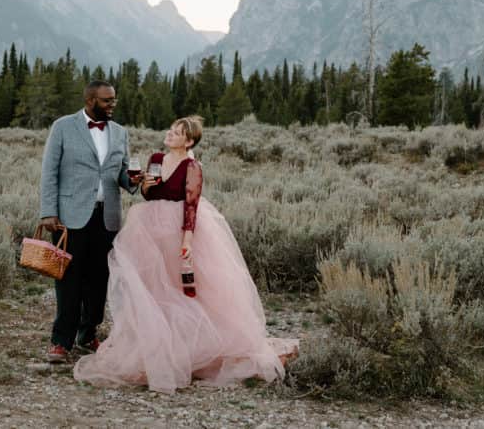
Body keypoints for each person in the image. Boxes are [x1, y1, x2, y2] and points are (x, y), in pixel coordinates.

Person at [74, 116, 298, 393]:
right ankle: (158, 344)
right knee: (155, 288)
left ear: (189, 141)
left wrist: (188, 241)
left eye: (177, 133)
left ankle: (194, 350)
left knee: (184, 289)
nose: (169, 134)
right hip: (149, 229)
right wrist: (144, 184)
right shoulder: (156, 157)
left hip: (179, 228)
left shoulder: (192, 166)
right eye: (170, 129)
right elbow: (148, 194)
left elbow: (191, 205)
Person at [39, 80, 140, 363]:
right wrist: (48, 211)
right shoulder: (62, 127)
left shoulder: (120, 132)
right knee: (68, 279)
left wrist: (133, 181)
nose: (112, 105)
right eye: (107, 101)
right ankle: (61, 341)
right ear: (90, 101)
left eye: (114, 100)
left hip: (107, 217)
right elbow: (49, 172)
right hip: (69, 216)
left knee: (99, 279)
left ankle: (88, 333)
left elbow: (121, 173)